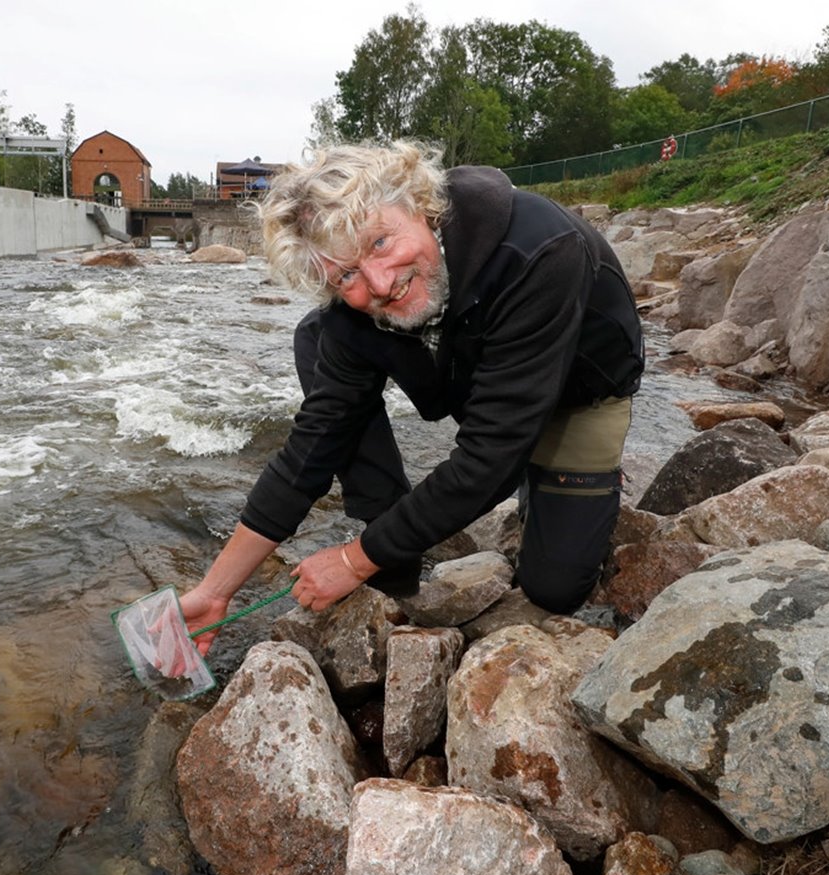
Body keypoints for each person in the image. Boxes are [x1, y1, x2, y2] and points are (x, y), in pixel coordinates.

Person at [179, 141, 644, 653]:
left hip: (580, 394)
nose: (379, 283)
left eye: (379, 242)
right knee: (319, 337)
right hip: (475, 373)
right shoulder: (357, 307)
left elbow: (489, 458)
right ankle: (391, 546)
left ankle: (553, 479)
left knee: (553, 588)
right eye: (346, 274)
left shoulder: (539, 249)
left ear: (421, 207)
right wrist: (214, 591)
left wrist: (353, 560)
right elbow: (309, 453)